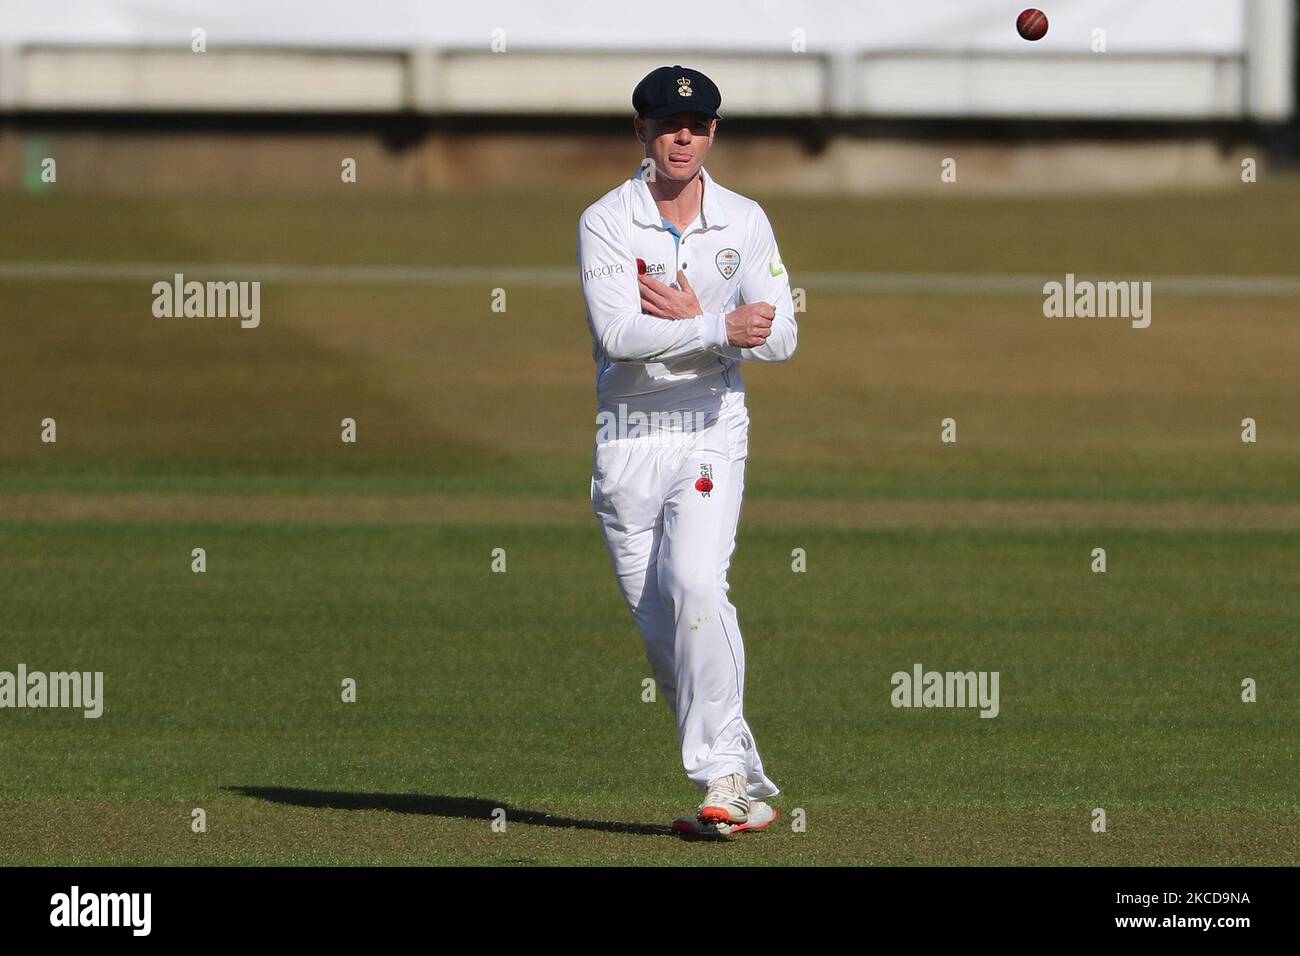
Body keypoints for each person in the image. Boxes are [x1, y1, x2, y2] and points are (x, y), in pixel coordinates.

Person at [576, 65, 798, 836]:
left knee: (698, 584)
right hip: (626, 442)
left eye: (698, 125)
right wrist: (715, 328)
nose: (683, 137)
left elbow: (784, 335)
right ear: (641, 130)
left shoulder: (743, 219)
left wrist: (711, 323)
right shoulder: (607, 220)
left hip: (708, 428)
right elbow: (621, 336)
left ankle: (722, 784)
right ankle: (736, 781)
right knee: (668, 639)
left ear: (713, 133)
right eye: (669, 124)